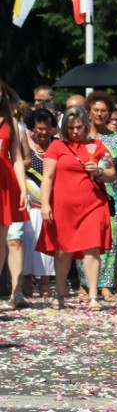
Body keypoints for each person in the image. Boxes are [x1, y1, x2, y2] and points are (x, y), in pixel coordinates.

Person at [37, 106, 115, 311]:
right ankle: (60, 293)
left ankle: (93, 296)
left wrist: (99, 171)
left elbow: (112, 174)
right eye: (71, 127)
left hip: (93, 205)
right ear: (64, 128)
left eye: (79, 127)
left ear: (86, 125)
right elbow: (48, 177)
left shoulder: (97, 146)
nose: (75, 131)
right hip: (62, 207)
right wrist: (45, 204)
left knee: (92, 249)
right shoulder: (57, 147)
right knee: (63, 252)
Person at [74, 91, 117, 303]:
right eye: (96, 110)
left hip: (111, 194)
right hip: (83, 193)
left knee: (110, 240)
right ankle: (85, 284)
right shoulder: (78, 138)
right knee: (84, 239)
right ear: (88, 112)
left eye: (104, 111)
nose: (100, 114)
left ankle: (105, 285)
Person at [22, 108, 57, 298]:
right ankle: (26, 279)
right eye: (39, 129)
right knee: (28, 241)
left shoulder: (57, 146)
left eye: (47, 128)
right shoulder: (26, 147)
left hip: (52, 203)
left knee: (47, 243)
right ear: (32, 129)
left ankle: (45, 281)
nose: (43, 132)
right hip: (29, 203)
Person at [0, 79, 29, 300]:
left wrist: (22, 189)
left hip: (4, 182)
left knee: (2, 239)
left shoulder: (10, 122)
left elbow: (17, 158)